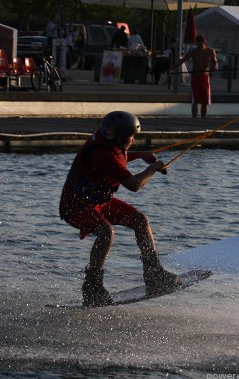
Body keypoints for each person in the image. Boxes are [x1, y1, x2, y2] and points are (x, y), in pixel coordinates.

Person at [59, 111, 178, 307]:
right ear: (121, 137)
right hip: (76, 206)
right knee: (106, 232)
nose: (133, 140)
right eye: (132, 136)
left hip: (98, 201)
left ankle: (153, 274)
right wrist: (153, 168)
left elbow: (118, 157)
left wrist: (141, 155)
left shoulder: (107, 141)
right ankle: (92, 288)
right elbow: (133, 185)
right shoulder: (104, 155)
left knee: (140, 220)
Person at [172, 34, 218, 118]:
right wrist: (172, 68)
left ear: (205, 42)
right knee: (195, 101)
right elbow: (182, 60)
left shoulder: (210, 51)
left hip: (205, 78)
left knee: (205, 102)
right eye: (198, 44)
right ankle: (194, 119)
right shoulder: (193, 52)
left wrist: (215, 67)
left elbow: (215, 62)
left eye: (201, 44)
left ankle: (204, 119)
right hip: (195, 77)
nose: (199, 46)